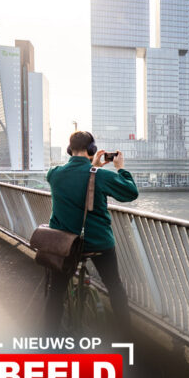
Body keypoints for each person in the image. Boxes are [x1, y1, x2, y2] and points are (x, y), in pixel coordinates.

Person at [43, 130, 138, 335]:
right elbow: (131, 192)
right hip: (97, 243)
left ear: (70, 150)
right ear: (92, 150)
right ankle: (127, 337)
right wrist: (120, 168)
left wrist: (91, 167)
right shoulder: (100, 176)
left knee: (56, 291)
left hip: (64, 244)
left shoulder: (54, 174)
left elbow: (77, 180)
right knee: (114, 286)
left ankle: (48, 339)